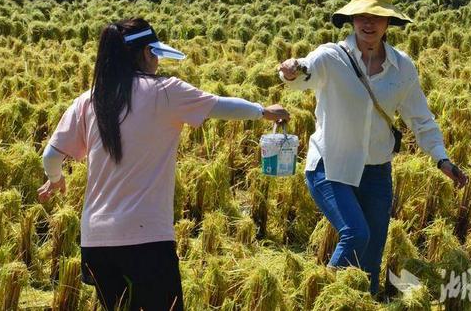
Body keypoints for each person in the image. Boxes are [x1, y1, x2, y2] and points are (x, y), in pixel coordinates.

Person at [37, 18, 289, 311]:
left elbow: (50, 157)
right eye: (154, 54)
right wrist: (263, 112)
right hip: (147, 240)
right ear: (146, 53)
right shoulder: (165, 91)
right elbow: (220, 106)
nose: (157, 61)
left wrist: (55, 180)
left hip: (97, 242)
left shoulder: (90, 99)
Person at [278, 0, 468, 297]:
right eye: (362, 15)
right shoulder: (331, 57)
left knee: (370, 261)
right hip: (331, 167)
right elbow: (304, 71)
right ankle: (323, 298)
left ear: (388, 22)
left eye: (376, 16)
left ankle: (362, 301)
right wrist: (291, 69)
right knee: (355, 234)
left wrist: (442, 159)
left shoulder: (402, 68)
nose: (369, 23)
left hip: (377, 173)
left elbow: (420, 119)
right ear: (352, 19)